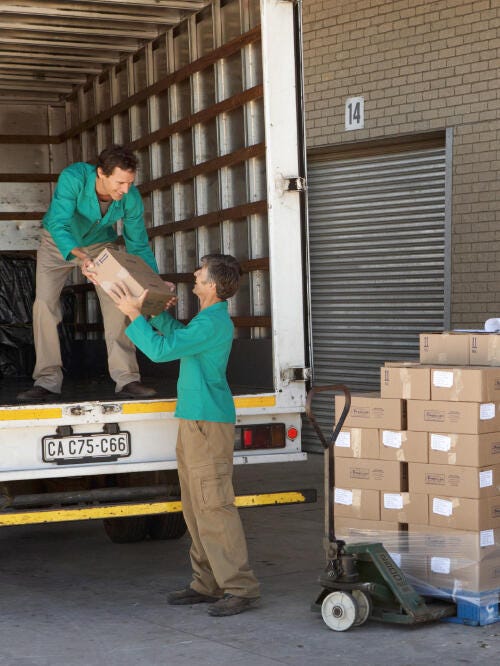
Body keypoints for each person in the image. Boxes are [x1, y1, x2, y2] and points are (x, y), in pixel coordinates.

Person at [108, 253, 260, 617]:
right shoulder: (205, 320)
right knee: (194, 506)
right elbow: (177, 337)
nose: (194, 274)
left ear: (212, 285)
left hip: (207, 424)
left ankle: (240, 587)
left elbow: (162, 351)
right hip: (194, 420)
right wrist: (156, 313)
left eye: (200, 273)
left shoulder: (212, 323)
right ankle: (206, 583)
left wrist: (133, 314)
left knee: (214, 505)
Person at [18, 144, 158, 401]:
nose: (125, 190)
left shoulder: (130, 196)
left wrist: (154, 282)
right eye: (120, 183)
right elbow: (59, 223)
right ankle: (47, 380)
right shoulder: (73, 178)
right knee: (44, 306)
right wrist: (81, 257)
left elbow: (138, 245)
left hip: (100, 245)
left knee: (119, 303)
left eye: (130, 183)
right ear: (101, 173)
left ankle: (126, 378)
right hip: (57, 242)